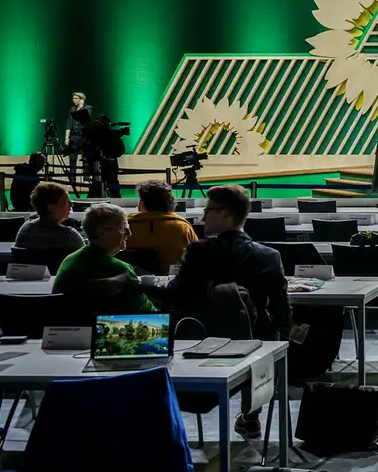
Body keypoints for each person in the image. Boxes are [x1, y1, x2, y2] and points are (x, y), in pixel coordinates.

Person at [169, 184, 293, 436]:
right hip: (254, 347)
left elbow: (176, 295)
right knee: (269, 328)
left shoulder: (198, 251)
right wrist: (287, 327)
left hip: (200, 343)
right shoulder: (269, 256)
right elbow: (281, 309)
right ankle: (252, 414)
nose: (203, 217)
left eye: (208, 210)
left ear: (225, 213)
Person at [51, 202, 157, 314]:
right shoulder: (120, 269)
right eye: (123, 228)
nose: (129, 233)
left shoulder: (69, 260)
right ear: (102, 232)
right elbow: (146, 312)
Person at [126, 180, 199, 270]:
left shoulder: (126, 225)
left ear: (142, 203)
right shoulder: (183, 227)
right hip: (174, 277)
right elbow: (198, 256)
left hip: (131, 276)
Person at [15, 182, 86, 253]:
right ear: (50, 206)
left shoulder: (25, 230)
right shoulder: (69, 236)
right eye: (66, 202)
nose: (71, 205)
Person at [66, 92, 93, 186]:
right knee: (72, 158)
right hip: (74, 136)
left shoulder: (88, 108)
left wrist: (81, 107)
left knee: (85, 158)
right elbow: (69, 123)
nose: (74, 100)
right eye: (73, 98)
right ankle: (72, 180)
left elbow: (86, 118)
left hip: (84, 136)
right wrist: (67, 137)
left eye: (76, 98)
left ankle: (86, 179)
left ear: (81, 99)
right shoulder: (72, 109)